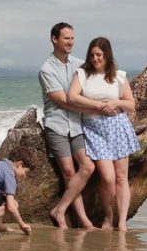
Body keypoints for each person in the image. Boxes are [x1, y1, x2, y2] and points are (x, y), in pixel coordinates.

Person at [39, 22, 113, 229]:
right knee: (69, 172)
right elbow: (63, 101)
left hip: (78, 125)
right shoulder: (46, 69)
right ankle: (84, 221)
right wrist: (98, 107)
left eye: (72, 38)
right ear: (54, 39)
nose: (71, 42)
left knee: (88, 167)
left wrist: (115, 100)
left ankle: (59, 209)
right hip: (57, 126)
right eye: (66, 38)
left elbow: (100, 80)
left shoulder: (80, 65)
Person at [67, 37, 140, 231]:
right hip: (94, 129)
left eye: (99, 55)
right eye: (92, 55)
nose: (95, 59)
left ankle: (122, 222)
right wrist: (98, 106)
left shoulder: (118, 76)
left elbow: (131, 105)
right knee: (107, 177)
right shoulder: (82, 74)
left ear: (107, 55)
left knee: (121, 177)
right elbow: (71, 97)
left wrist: (116, 103)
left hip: (118, 127)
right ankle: (108, 215)